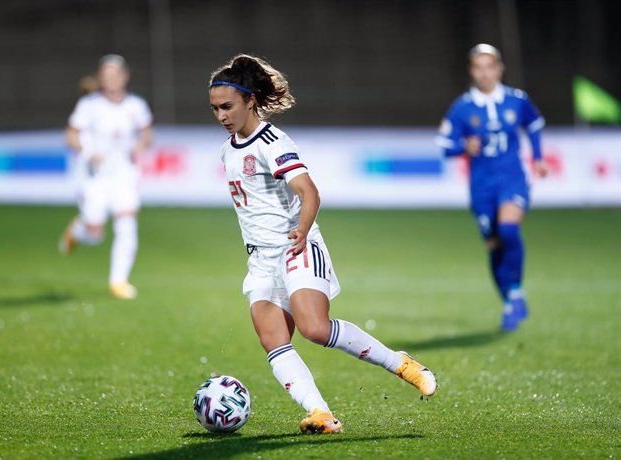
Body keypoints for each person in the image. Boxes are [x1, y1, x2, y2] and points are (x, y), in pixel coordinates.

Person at [208, 54, 437, 434]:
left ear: (250, 101)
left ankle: (399, 362)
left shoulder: (273, 142)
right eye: (215, 109)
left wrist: (300, 230)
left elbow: (309, 192)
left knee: (314, 328)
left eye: (227, 106)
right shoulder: (226, 149)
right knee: (274, 341)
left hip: (296, 246)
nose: (221, 116)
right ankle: (320, 413)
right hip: (261, 260)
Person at [436, 44, 548, 331]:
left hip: (511, 177)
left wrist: (537, 158)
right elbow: (445, 145)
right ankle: (510, 299)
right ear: (472, 72)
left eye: (489, 67)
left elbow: (534, 125)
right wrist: (464, 146)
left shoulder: (516, 100)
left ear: (499, 69)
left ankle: (516, 293)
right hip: (481, 185)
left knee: (509, 229)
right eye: (478, 68)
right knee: (494, 246)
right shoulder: (463, 107)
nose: (485, 74)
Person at [59, 54, 153, 300]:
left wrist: (140, 146)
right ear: (101, 78)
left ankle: (118, 281)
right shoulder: (89, 105)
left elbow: (147, 133)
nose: (111, 79)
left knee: (126, 222)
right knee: (95, 232)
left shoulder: (136, 105)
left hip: (124, 173)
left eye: (115, 74)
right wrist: (88, 153)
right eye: (106, 75)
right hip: (95, 175)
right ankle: (78, 230)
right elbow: (71, 135)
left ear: (124, 77)